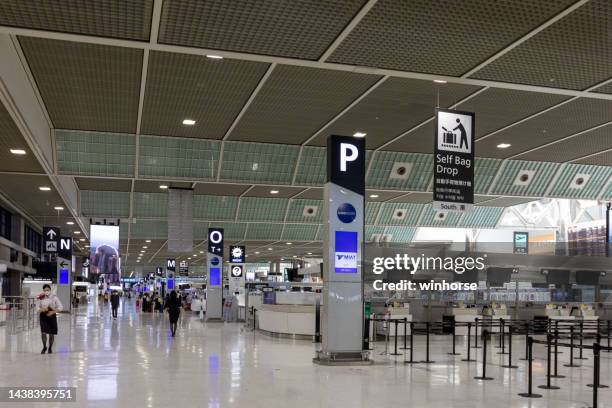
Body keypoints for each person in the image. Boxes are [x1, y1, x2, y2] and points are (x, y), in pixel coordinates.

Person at [37, 284, 63, 354]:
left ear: (50, 290)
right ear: (43, 290)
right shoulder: (41, 297)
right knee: (43, 332)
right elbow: (37, 308)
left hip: (52, 316)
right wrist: (42, 309)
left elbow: (61, 307)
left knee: (51, 333)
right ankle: (44, 346)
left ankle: (50, 347)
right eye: (45, 290)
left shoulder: (54, 297)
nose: (46, 291)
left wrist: (53, 312)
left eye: (47, 290)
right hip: (43, 316)